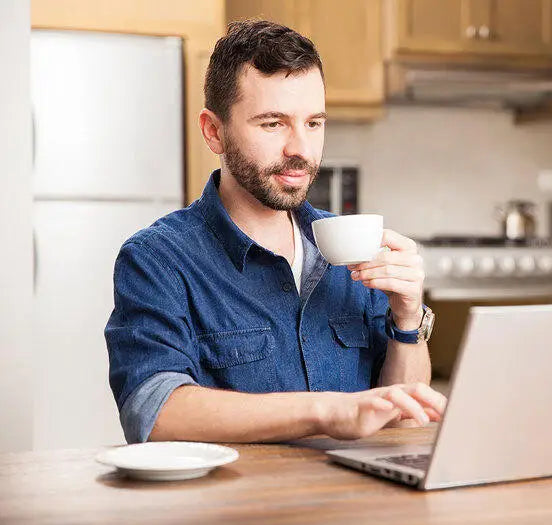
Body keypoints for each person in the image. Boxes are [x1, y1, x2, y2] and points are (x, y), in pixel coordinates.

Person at [104, 19, 445, 445]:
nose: (300, 149)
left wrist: (407, 320)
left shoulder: (352, 246)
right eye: (272, 124)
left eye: (314, 123)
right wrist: (325, 410)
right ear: (214, 131)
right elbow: (153, 411)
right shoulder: (158, 258)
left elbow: (404, 415)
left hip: (355, 504)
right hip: (239, 508)